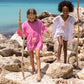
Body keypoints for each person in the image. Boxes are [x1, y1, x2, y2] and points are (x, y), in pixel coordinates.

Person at [17, 9, 52, 81]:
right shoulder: (25, 24)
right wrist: (19, 26)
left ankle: (39, 72)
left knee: (37, 56)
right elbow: (21, 33)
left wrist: (50, 34)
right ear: (27, 16)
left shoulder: (38, 22)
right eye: (29, 18)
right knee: (31, 56)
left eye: (33, 18)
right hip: (30, 41)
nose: (31, 19)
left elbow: (44, 27)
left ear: (35, 16)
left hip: (38, 41)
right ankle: (33, 68)